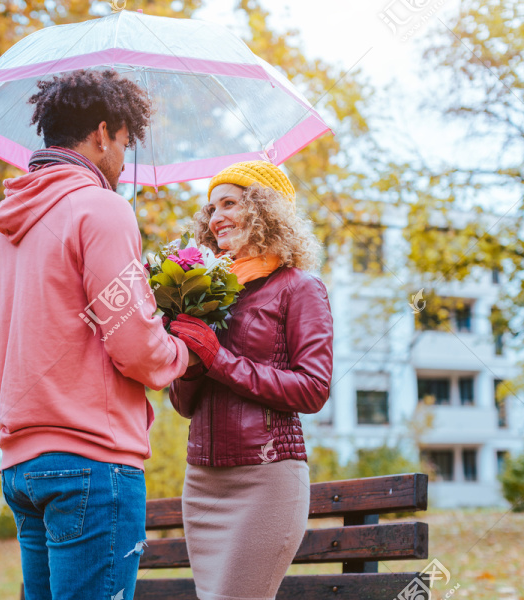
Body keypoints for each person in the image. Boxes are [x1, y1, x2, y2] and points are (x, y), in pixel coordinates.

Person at [0, 69, 197, 600]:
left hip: (23, 466)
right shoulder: (101, 209)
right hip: (91, 463)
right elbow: (135, 350)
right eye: (125, 143)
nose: (124, 161)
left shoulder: (4, 233)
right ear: (102, 134)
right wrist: (185, 349)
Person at [168, 160, 334, 600]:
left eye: (229, 203)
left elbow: (313, 388)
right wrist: (186, 357)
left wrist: (217, 358)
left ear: (265, 209)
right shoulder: (205, 292)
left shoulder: (299, 287)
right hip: (202, 482)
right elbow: (184, 405)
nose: (215, 217)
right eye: (211, 208)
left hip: (267, 475)